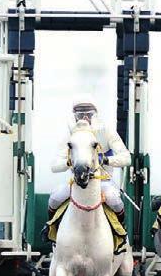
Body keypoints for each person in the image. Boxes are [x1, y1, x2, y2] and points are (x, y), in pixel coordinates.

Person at [47, 95, 131, 226]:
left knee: (114, 200)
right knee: (55, 198)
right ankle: (52, 230)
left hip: (103, 182)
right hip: (76, 182)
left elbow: (126, 158)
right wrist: (68, 162)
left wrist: (105, 160)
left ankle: (120, 233)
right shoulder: (71, 135)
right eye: (81, 115)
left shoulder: (106, 132)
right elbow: (54, 166)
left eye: (89, 114)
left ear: (95, 115)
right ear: (75, 117)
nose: (85, 119)